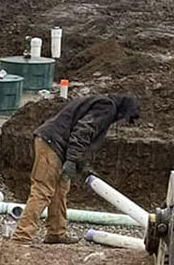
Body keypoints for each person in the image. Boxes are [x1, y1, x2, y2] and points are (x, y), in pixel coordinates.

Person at [13, 92, 140, 243]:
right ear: (123, 111)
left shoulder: (100, 102)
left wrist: (82, 164)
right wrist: (73, 161)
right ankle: (21, 237)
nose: (121, 122)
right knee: (42, 190)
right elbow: (82, 132)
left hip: (54, 143)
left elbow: (81, 132)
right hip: (52, 144)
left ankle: (56, 233)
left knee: (60, 190)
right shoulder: (107, 108)